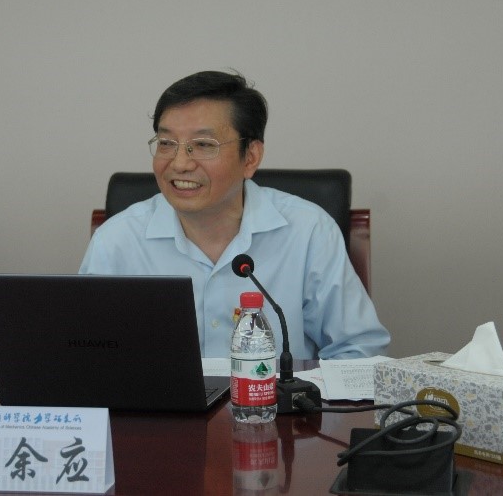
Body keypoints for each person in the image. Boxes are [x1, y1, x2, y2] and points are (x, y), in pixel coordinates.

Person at [79, 70, 390, 359]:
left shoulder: (308, 231)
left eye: (203, 144)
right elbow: (85, 353)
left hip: (275, 402)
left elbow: (359, 350)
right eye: (166, 143)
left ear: (250, 157)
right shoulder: (117, 240)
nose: (180, 163)